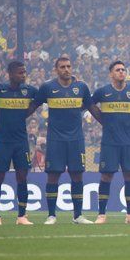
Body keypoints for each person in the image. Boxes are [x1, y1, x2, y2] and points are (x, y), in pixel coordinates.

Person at [32, 56, 98, 225]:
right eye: (62, 67)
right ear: (56, 69)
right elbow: (34, 105)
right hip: (55, 140)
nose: (66, 69)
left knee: (77, 176)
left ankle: (78, 216)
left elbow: (91, 107)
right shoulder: (48, 87)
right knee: (53, 176)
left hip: (76, 140)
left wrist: (108, 123)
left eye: (69, 66)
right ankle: (51, 215)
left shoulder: (81, 87)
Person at [90, 61, 130, 224]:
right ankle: (101, 214)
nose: (121, 72)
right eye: (118, 70)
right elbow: (90, 104)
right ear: (111, 74)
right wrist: (102, 119)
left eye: (123, 69)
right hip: (110, 142)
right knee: (106, 176)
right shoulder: (103, 91)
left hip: (129, 141)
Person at [0, 61, 38, 225]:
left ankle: (21, 216)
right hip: (3, 141)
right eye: (20, 73)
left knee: (22, 177)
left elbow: (39, 99)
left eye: (24, 72)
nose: (23, 75)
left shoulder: (29, 90)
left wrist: (29, 110)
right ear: (10, 73)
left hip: (21, 141)